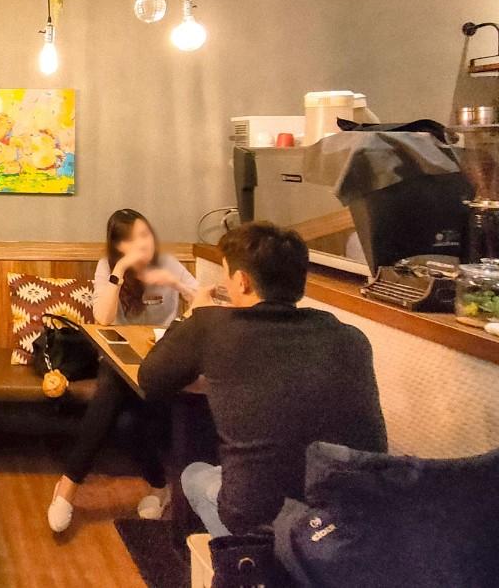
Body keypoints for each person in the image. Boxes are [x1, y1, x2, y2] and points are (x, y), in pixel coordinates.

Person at [138, 221, 387, 537]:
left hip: (265, 523)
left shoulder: (211, 326)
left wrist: (193, 314)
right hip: (357, 520)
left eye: (227, 274)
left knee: (195, 474)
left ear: (242, 281)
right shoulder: (352, 337)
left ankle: (227, 553)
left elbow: (151, 378)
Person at [47, 209, 198, 533]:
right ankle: (74, 487)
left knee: (124, 418)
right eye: (135, 239)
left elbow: (204, 301)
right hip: (120, 359)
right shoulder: (108, 266)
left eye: (146, 234)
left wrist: (174, 283)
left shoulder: (167, 264)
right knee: (119, 404)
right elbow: (102, 318)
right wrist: (119, 271)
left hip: (161, 361)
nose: (145, 243)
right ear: (119, 246)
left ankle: (70, 487)